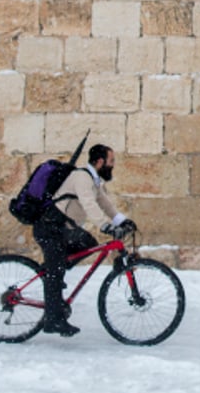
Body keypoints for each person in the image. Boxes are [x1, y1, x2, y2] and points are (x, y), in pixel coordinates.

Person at [33, 143, 135, 337]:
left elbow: (105, 204)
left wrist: (122, 221)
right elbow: (89, 204)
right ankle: (53, 319)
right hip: (49, 228)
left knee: (88, 244)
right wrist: (106, 226)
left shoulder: (94, 181)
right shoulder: (81, 178)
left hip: (64, 228)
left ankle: (54, 271)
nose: (113, 165)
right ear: (99, 162)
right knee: (55, 272)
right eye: (111, 161)